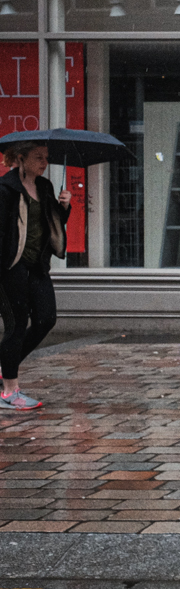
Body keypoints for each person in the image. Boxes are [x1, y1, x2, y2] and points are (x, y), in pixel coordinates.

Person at [0, 142, 71, 410]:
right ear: (20, 158)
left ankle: (4, 364)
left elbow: (51, 223)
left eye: (47, 157)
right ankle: (9, 392)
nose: (44, 162)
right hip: (11, 267)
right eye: (38, 157)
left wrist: (64, 208)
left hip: (37, 266)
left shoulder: (45, 187)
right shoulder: (6, 189)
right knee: (16, 325)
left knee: (45, 319)